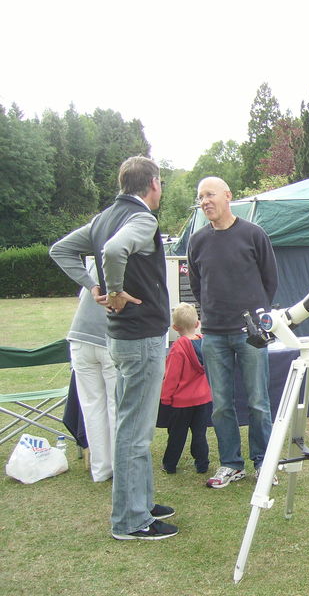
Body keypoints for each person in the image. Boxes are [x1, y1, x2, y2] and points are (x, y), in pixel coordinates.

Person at [48, 155, 177, 539]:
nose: (162, 189)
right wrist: (114, 290)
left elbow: (60, 250)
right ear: (152, 183)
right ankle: (130, 521)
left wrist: (93, 286)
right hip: (139, 337)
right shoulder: (141, 219)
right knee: (135, 431)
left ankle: (141, 502)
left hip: (123, 338)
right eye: (161, 183)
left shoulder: (104, 218)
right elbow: (115, 251)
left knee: (131, 425)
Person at [188, 176, 278, 488]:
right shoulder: (197, 241)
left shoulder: (253, 234)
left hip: (250, 333)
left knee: (257, 402)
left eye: (210, 195)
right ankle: (231, 464)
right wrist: (214, 313)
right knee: (222, 405)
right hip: (213, 335)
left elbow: (270, 281)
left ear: (228, 196)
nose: (205, 201)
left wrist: (256, 316)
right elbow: (198, 287)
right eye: (200, 197)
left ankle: (264, 463)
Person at [48, 257, 116, 482]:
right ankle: (118, 466)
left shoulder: (96, 260)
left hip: (80, 337)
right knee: (115, 405)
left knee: (93, 407)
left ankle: (101, 468)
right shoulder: (130, 259)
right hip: (109, 339)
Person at [159, 303, 211, 474]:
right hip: (203, 399)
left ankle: (170, 464)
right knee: (200, 434)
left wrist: (165, 398)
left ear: (174, 327)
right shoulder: (206, 343)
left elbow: (171, 377)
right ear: (197, 324)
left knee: (176, 435)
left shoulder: (177, 349)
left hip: (181, 402)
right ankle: (202, 464)